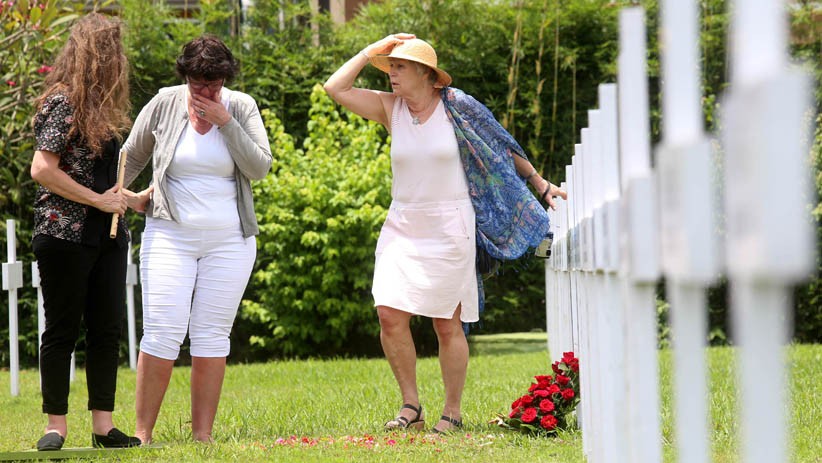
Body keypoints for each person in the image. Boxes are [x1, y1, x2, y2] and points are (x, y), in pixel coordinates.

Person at [323, 35, 566, 433]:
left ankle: (451, 411)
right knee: (388, 313)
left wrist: (540, 184)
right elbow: (336, 88)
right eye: (390, 67)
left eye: (400, 67)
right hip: (402, 224)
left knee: (446, 323)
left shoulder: (457, 106)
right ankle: (411, 406)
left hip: (451, 223)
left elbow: (501, 147)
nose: (392, 74)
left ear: (428, 76)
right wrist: (373, 49)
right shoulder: (391, 109)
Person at [121, 35, 272, 444]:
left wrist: (226, 121)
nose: (207, 91)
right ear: (185, 76)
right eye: (199, 84)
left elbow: (260, 167)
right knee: (162, 332)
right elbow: (131, 155)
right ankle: (142, 435)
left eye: (215, 83)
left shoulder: (240, 106)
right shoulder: (166, 102)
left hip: (230, 241)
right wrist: (118, 196)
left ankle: (202, 437)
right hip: (170, 234)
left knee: (211, 335)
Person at [29, 13, 141, 451]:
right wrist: (97, 201)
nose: (121, 58)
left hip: (107, 236)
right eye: (114, 48)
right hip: (63, 234)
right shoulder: (64, 102)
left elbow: (100, 179)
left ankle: (103, 426)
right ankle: (56, 426)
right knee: (61, 329)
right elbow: (43, 169)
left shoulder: (107, 109)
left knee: (106, 329)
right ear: (98, 53)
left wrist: (130, 198)